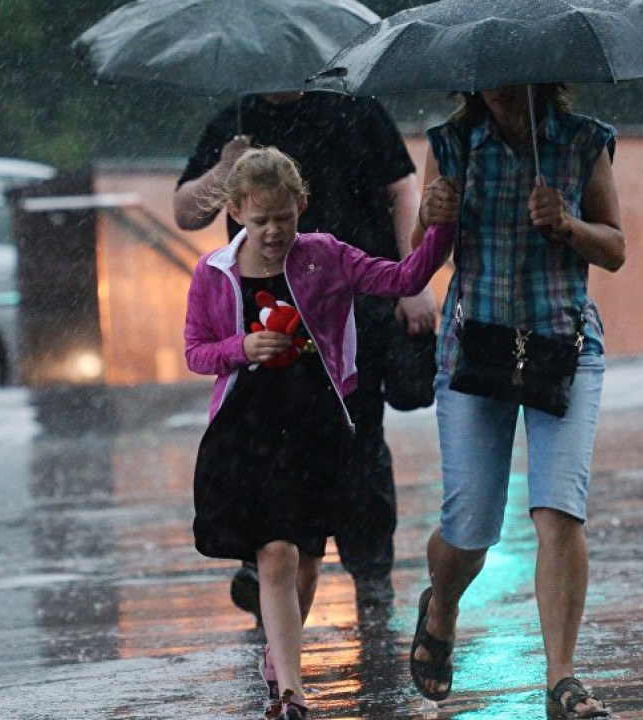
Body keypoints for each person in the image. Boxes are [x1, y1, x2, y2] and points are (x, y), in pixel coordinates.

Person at [184, 147, 454, 719]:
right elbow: (196, 352)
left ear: (301, 205)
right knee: (275, 555)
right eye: (260, 221)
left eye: (285, 217)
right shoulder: (213, 274)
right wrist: (241, 348)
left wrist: (441, 227)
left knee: (308, 560)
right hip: (250, 428)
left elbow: (402, 276)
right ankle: (292, 693)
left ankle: (278, 661)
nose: (275, 231)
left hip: (319, 425)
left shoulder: (325, 256)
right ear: (234, 211)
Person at [174, 91, 436, 619]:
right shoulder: (237, 119)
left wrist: (414, 283)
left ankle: (370, 574)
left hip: (351, 307)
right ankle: (265, 562)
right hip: (263, 317)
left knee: (358, 447)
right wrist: (224, 168)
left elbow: (401, 188)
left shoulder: (356, 108)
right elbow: (184, 210)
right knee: (263, 448)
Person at [408, 84, 624, 718]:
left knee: (560, 511)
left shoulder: (584, 142)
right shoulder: (451, 145)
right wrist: (431, 214)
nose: (506, 80)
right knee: (471, 530)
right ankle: (442, 607)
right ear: (473, 76)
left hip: (565, 347)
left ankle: (562, 680)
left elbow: (615, 247)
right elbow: (420, 259)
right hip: (476, 350)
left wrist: (568, 223)